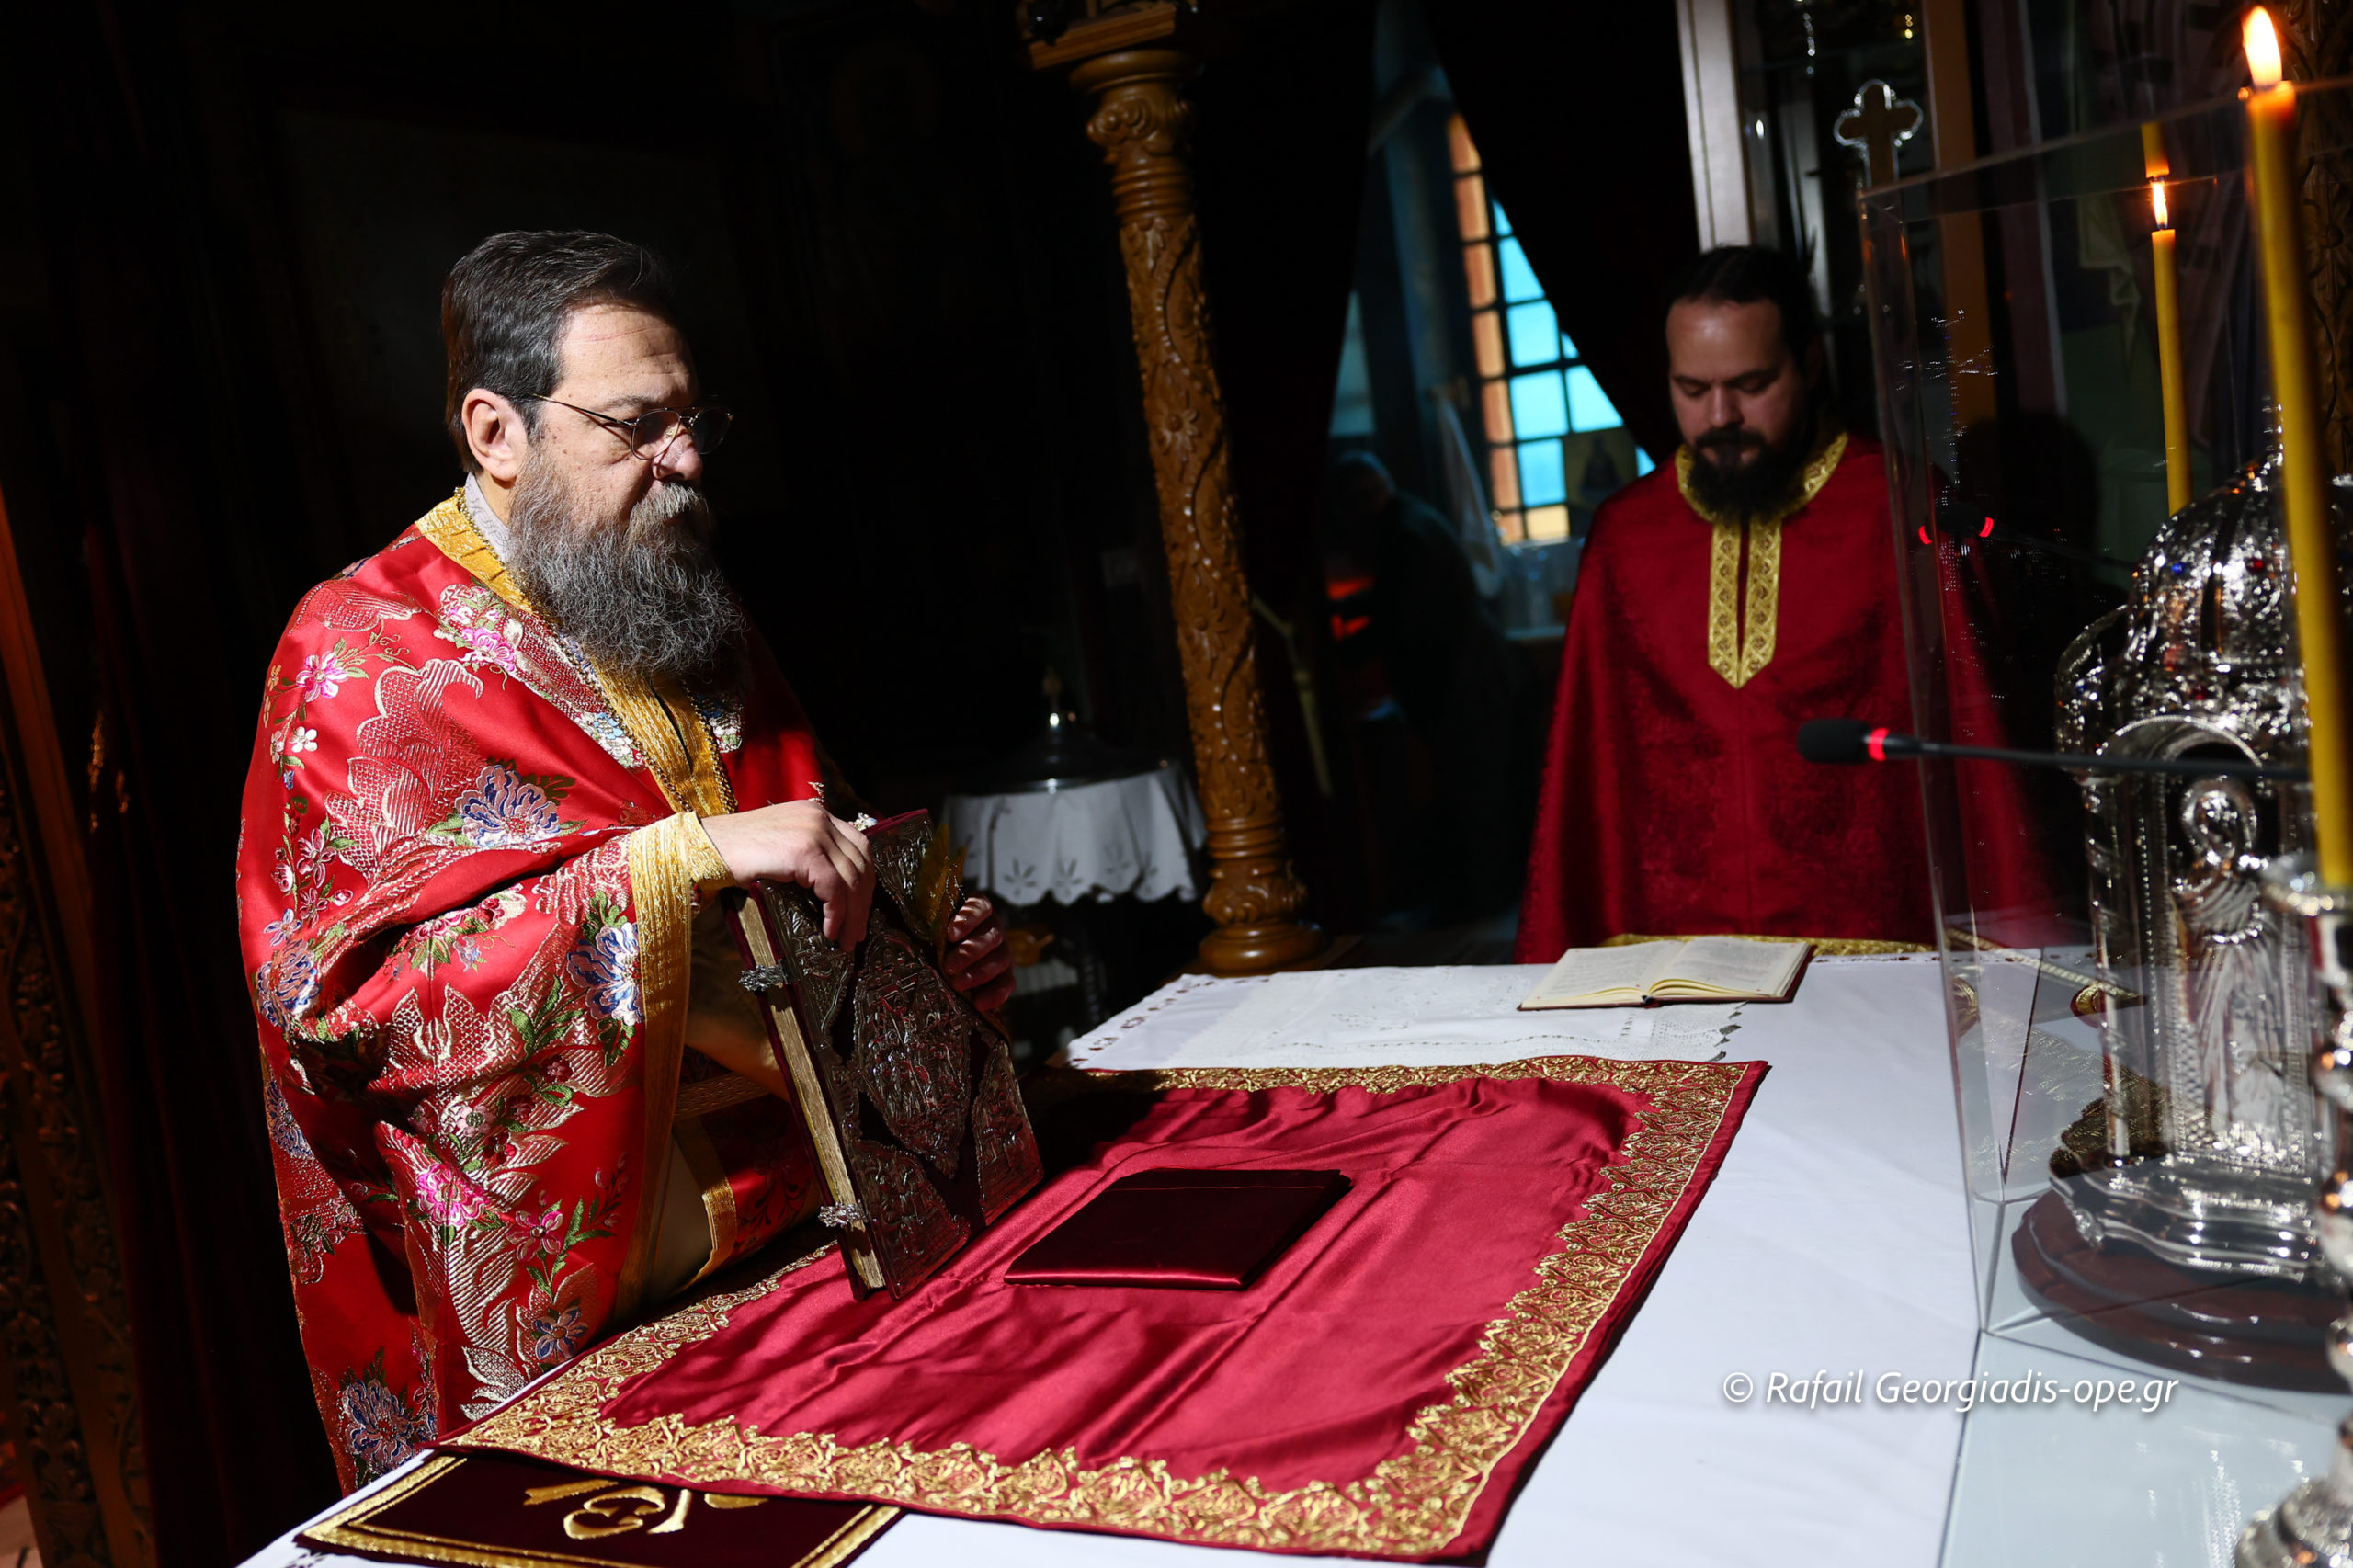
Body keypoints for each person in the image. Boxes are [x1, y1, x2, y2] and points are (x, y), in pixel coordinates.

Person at [236, 232, 1014, 1489]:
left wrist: (924, 955)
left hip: (827, 1226)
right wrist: (682, 859)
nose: (688, 459)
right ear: (496, 432)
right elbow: (351, 1014)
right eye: (638, 425)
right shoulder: (363, 652)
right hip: (598, 1298)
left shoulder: (669, 589)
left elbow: (816, 843)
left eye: (694, 418)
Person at [1518, 245, 1944, 957]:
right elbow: (1587, 767)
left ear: (1809, 365)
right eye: (1692, 389)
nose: (1721, 416)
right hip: (1675, 958)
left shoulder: (1900, 508)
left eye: (1751, 384)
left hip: (1876, 948)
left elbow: (1973, 750)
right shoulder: (1626, 537)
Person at [1325, 452, 1533, 917]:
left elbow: (1408, 616)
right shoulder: (1411, 520)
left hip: (1467, 680)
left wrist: (1343, 652)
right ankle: (1487, 900)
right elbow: (1398, 600)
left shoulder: (1405, 533)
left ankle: (1487, 905)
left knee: (1478, 797)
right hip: (1473, 673)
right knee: (1479, 794)